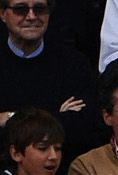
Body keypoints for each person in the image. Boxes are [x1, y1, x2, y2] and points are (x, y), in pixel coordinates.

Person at [0, 0, 100, 156]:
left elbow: (81, 127)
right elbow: (65, 124)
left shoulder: (74, 64)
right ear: (3, 14)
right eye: (21, 9)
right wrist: (57, 116)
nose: (32, 16)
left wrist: (11, 117)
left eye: (39, 9)